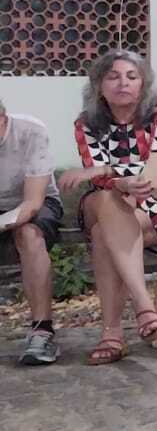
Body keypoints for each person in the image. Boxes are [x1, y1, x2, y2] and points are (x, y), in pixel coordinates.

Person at [58, 50, 157, 365]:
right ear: (99, 85)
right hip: (107, 200)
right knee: (108, 200)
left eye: (132, 77)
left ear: (143, 83)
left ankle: (112, 334)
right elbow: (99, 179)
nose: (123, 83)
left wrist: (107, 171)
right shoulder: (87, 123)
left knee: (103, 234)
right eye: (113, 77)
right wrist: (118, 182)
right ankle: (144, 304)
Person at [1, 97, 66, 365]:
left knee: (29, 234)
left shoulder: (30, 132)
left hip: (35, 201)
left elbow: (32, 204)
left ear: (2, 118)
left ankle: (42, 331)